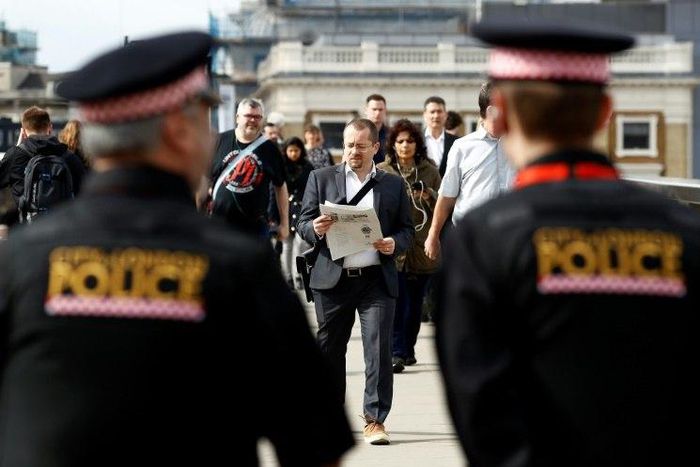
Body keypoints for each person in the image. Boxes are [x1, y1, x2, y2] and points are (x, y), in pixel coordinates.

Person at [0, 31, 353, 467]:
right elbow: (314, 445)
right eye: (203, 118)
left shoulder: (20, 259)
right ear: (178, 131)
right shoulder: (238, 266)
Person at [436, 19, 700, 467]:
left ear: (499, 112)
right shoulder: (682, 230)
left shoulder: (483, 242)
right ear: (604, 113)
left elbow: (481, 408)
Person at [297, 118, 414, 446]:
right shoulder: (320, 178)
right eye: (349, 145)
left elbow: (407, 229)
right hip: (332, 280)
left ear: (375, 148)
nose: (354, 152)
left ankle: (375, 420)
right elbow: (303, 222)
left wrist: (394, 243)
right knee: (329, 350)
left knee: (377, 350)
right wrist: (315, 229)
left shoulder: (391, 185)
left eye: (361, 146)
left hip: (376, 279)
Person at [377, 119, 441, 373]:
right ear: (392, 145)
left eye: (410, 140)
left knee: (415, 306)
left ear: (418, 144)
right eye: (400, 141)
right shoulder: (382, 170)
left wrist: (427, 194)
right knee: (398, 302)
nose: (405, 145)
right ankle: (397, 352)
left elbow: (444, 207)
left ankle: (408, 348)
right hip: (394, 246)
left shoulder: (429, 170)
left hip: (422, 246)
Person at [424, 81, 513, 261]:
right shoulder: (462, 147)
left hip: (510, 239)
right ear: (491, 111)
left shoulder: (519, 144)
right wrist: (433, 236)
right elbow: (447, 196)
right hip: (471, 242)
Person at [209, 98, 289, 241]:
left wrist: (284, 223)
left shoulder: (270, 149)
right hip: (219, 224)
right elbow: (203, 181)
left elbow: (281, 186)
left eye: (257, 117)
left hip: (255, 228)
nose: (253, 120)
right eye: (249, 116)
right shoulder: (219, 141)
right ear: (237, 118)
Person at [0, 106, 85, 223]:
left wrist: (15, 150)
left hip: (27, 229)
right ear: (50, 128)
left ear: (23, 131)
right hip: (63, 228)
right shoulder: (68, 156)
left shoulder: (16, 156)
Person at [280, 136, 314, 288]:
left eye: (296, 150)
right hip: (284, 209)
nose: (294, 153)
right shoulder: (280, 166)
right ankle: (287, 276)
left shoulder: (307, 167)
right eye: (290, 150)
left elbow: (312, 189)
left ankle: (299, 275)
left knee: (302, 244)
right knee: (287, 244)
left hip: (302, 209)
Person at [422, 96, 458, 177]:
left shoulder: (456, 142)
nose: (436, 116)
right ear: (425, 115)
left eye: (439, 111)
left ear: (445, 115)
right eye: (432, 112)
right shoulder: (416, 140)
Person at [364, 94, 389, 165]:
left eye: (380, 110)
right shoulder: (356, 133)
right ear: (366, 110)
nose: (377, 113)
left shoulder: (392, 135)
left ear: (385, 111)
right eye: (374, 109)